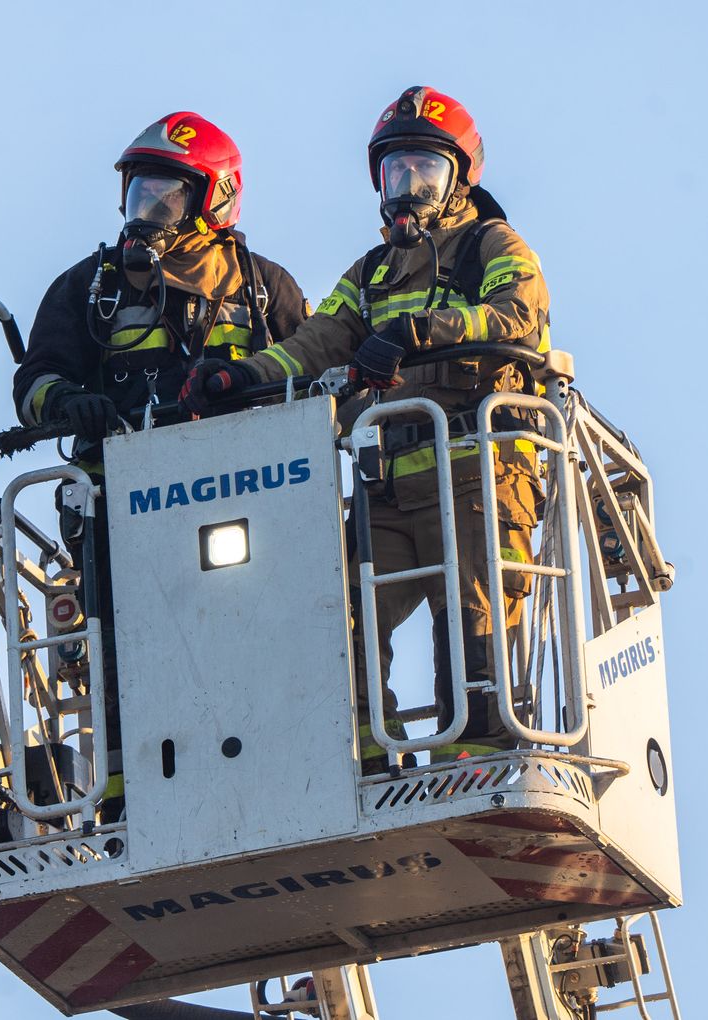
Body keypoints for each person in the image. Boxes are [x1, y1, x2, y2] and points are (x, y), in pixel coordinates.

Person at [182, 86, 550, 771]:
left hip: (479, 474)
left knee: (473, 617)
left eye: (424, 170)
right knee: (338, 612)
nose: (406, 187)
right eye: (394, 171)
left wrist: (416, 331)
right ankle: (365, 758)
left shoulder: (491, 245)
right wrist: (239, 375)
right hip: (389, 488)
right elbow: (315, 341)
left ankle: (476, 759)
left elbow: (516, 316)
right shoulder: (372, 272)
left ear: (460, 178)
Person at [13, 111, 308, 817]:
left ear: (213, 199)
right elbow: (33, 384)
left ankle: (288, 768)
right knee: (125, 645)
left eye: (165, 194)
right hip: (120, 504)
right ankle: (125, 795)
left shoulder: (264, 288)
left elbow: (313, 375)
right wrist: (69, 402)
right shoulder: (89, 288)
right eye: (139, 192)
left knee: (273, 627)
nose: (146, 210)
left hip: (248, 497)